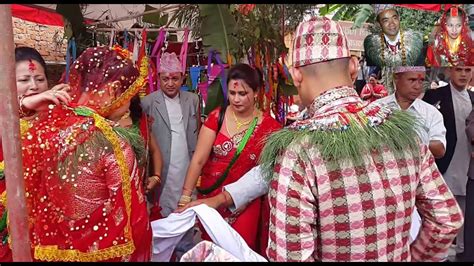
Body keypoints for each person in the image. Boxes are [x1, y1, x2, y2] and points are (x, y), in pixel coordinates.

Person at [256, 17, 462, 262]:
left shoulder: (297, 151)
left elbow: (289, 256)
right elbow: (447, 219)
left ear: (297, 75)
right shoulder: (403, 132)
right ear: (353, 67)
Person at [21, 45, 152, 261]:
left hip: (46, 251)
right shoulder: (111, 141)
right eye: (130, 94)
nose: (129, 103)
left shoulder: (46, 126)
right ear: (113, 91)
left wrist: (24, 106)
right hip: (98, 254)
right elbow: (132, 220)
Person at [177, 63, 281, 254]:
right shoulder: (217, 117)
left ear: (256, 92)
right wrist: (185, 197)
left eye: (243, 93)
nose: (236, 99)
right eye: (232, 93)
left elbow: (267, 173)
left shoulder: (270, 128)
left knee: (239, 250)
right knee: (212, 251)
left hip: (245, 203)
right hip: (211, 201)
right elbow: (198, 160)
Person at [0, 47, 72, 262]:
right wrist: (22, 106)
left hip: (48, 220)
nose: (34, 86)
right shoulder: (6, 118)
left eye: (39, 79)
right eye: (24, 80)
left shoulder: (54, 114)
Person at [140, 52, 200, 257]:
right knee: (163, 212)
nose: (170, 83)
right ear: (158, 79)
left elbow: (197, 130)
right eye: (165, 78)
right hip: (162, 167)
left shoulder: (193, 100)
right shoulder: (148, 103)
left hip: (186, 164)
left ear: (183, 77)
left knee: (185, 207)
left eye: (175, 78)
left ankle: (185, 252)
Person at [423, 66, 473, 258]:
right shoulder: (435, 96)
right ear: (451, 71)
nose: (463, 74)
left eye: (467, 70)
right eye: (459, 69)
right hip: (443, 164)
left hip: (468, 165)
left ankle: (463, 253)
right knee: (440, 215)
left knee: (467, 216)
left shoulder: (473, 98)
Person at [375, 66, 446, 158]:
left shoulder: (431, 113)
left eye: (421, 80)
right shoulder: (377, 107)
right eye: (412, 80)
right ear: (396, 78)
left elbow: (440, 150)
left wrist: (409, 141)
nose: (417, 86)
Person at [364, 5, 425, 94]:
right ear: (378, 24)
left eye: (394, 18)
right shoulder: (373, 46)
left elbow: (420, 70)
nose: (391, 23)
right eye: (385, 20)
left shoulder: (414, 42)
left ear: (399, 19)